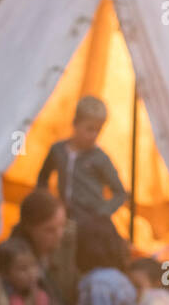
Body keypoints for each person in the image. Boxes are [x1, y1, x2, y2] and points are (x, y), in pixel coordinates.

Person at [37, 96, 129, 226]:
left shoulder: (100, 158)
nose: (94, 135)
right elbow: (43, 178)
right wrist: (48, 204)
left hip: (90, 223)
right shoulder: (58, 150)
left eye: (98, 130)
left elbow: (120, 193)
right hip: (64, 221)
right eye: (89, 129)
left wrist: (101, 214)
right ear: (75, 123)